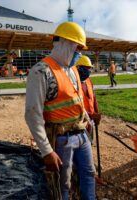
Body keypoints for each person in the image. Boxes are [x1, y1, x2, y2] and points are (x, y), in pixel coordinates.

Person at [25, 22, 95, 200]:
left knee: (88, 174)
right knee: (63, 183)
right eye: (77, 47)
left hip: (81, 135)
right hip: (62, 139)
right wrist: (47, 151)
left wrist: (87, 120)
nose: (79, 53)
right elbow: (33, 115)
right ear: (65, 43)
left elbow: (77, 99)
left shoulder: (72, 70)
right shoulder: (41, 71)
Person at [76, 55, 101, 141]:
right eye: (85, 68)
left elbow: (93, 97)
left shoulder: (88, 81)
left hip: (91, 119)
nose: (88, 71)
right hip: (79, 122)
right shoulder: (73, 83)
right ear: (77, 68)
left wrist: (97, 113)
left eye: (89, 68)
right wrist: (91, 115)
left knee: (90, 142)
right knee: (83, 143)